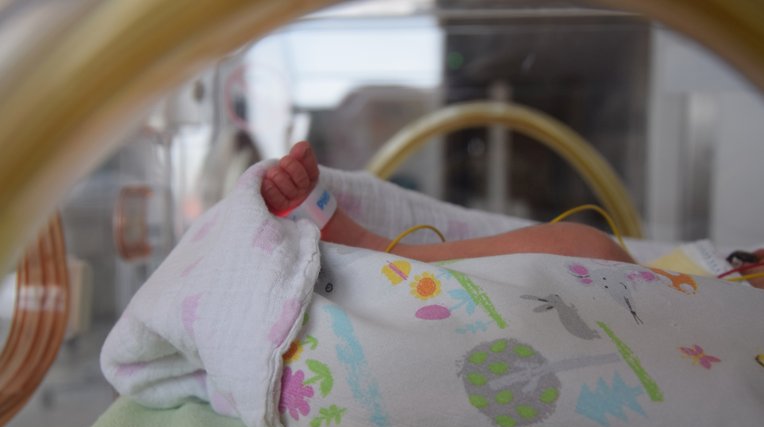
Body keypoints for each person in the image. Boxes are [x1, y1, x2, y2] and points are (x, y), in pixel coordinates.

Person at [262, 141, 764, 288]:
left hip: (709, 323)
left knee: (592, 257)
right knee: (591, 255)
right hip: (706, 287)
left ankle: (372, 251)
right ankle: (372, 252)